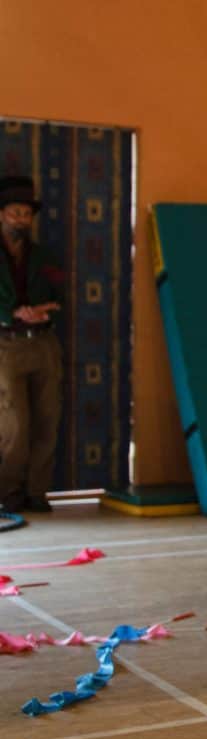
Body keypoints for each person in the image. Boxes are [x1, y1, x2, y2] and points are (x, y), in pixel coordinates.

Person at [0, 176, 63, 514]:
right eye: (15, 213)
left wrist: (45, 311)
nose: (21, 220)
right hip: (6, 346)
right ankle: (9, 494)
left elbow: (60, 295)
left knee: (46, 419)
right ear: (1, 215)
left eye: (26, 214)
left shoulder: (44, 256)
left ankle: (37, 493)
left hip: (43, 343)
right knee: (14, 426)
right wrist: (13, 313)